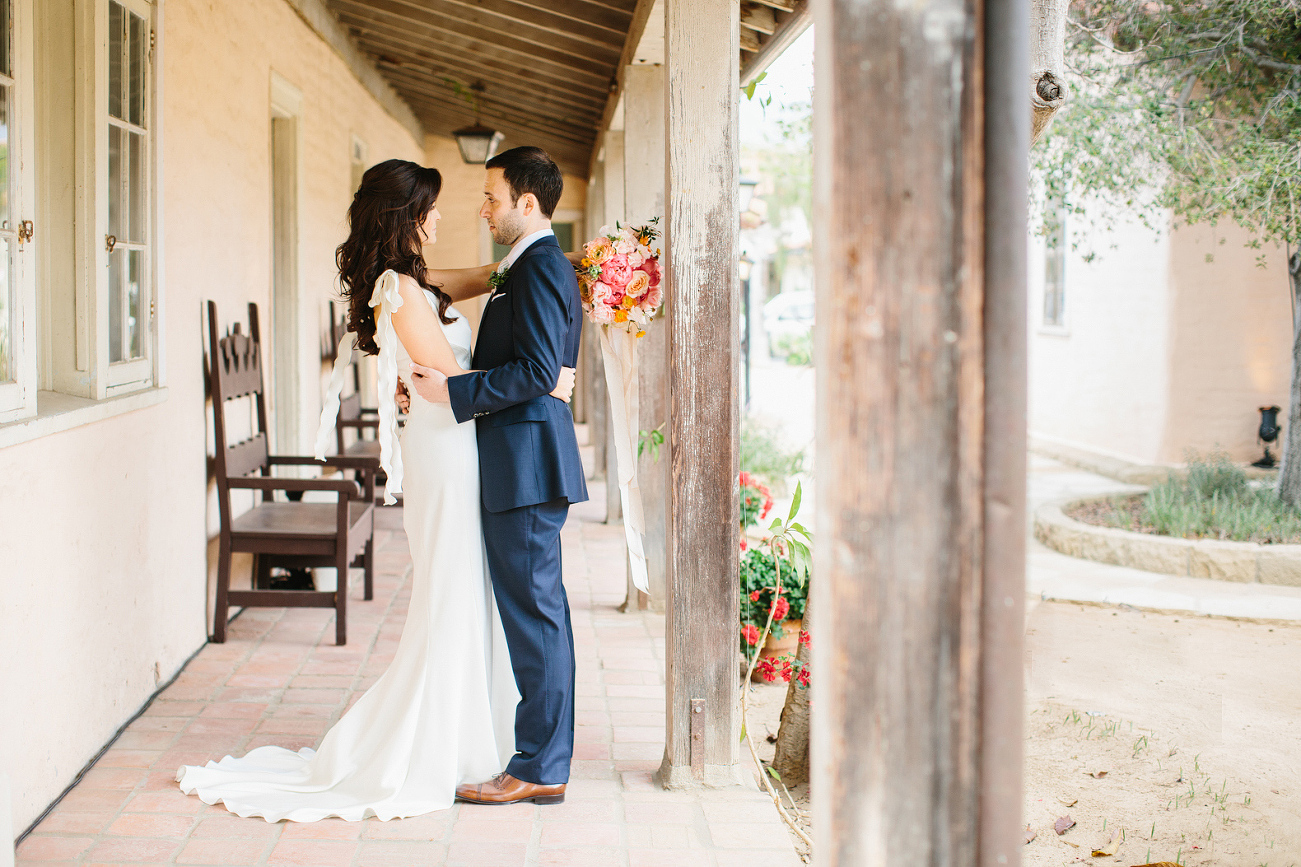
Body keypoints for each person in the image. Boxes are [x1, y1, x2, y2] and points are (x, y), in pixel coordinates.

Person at [174, 159, 575, 821]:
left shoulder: (416, 280)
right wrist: (539, 377)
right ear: (407, 216)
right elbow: (449, 379)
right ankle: (457, 741)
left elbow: (484, 288)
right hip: (450, 453)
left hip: (464, 443)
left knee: (478, 593)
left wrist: (561, 272)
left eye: (483, 196)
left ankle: (492, 739)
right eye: (434, 208)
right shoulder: (398, 286)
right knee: (456, 590)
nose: (450, 215)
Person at [407, 146, 587, 806]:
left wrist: (454, 391)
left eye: (491, 197)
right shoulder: (526, 264)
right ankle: (543, 756)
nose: (482, 208)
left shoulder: (539, 266)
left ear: (527, 203)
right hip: (520, 460)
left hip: (527, 466)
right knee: (539, 616)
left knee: (536, 619)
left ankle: (539, 764)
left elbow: (540, 372)